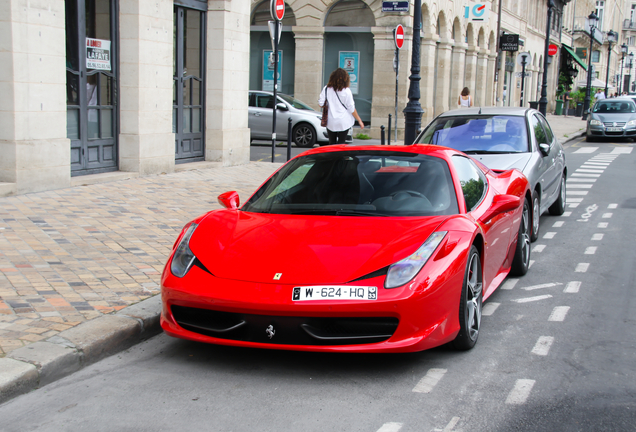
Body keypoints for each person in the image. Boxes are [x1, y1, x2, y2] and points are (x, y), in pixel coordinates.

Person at [318, 68, 364, 145]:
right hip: (344, 121)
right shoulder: (347, 91)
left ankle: (333, 157)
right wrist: (359, 120)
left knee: (332, 143)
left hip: (331, 121)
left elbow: (321, 104)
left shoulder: (326, 89)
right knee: (342, 143)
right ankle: (340, 157)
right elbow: (351, 108)